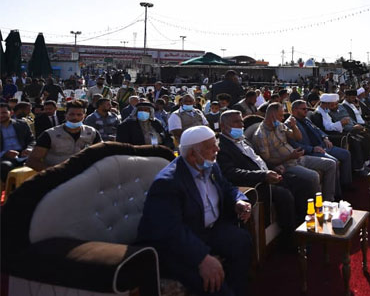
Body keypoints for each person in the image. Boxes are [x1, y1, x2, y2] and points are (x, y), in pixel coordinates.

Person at [137, 125, 253, 296]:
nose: (217, 149)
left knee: (241, 240)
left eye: (216, 144)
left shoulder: (210, 165)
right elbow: (170, 230)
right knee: (212, 284)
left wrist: (238, 200)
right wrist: (201, 258)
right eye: (211, 147)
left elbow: (227, 187)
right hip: (177, 243)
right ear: (192, 154)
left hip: (206, 230)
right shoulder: (168, 183)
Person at [216, 110, 301, 245]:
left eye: (241, 121)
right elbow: (231, 173)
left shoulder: (243, 140)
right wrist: (263, 175)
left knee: (298, 181)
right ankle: (289, 241)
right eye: (236, 122)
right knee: (284, 195)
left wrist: (273, 167)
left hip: (267, 174)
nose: (241, 125)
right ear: (223, 126)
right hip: (256, 183)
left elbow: (258, 160)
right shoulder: (221, 147)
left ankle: (301, 228)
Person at [253, 102, 337, 201]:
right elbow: (268, 160)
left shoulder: (279, 125)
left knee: (331, 164)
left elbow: (297, 137)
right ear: (272, 115)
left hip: (298, 158)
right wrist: (290, 157)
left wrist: (293, 126)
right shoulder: (261, 135)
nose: (283, 118)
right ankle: (318, 204)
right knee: (314, 176)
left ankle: (329, 199)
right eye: (280, 115)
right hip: (287, 165)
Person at [289, 99, 352, 191]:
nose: (306, 111)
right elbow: (294, 144)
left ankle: (346, 184)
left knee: (346, 154)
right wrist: (312, 149)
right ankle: (336, 193)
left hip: (322, 145)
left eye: (307, 108)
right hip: (311, 151)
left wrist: (325, 138)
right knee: (334, 161)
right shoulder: (290, 124)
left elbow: (318, 130)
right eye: (303, 109)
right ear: (294, 110)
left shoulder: (306, 119)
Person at [27, 100, 102, 171]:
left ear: (84, 116)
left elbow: (101, 155)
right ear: (65, 115)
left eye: (79, 115)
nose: (75, 117)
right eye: (71, 114)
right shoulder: (50, 134)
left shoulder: (92, 133)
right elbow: (32, 161)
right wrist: (54, 172)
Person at [0, 102, 34, 181]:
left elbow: (31, 140)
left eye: (4, 113)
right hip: (4, 158)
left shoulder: (22, 124)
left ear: (11, 113)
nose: (1, 115)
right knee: (5, 167)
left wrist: (29, 149)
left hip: (23, 155)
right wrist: (4, 153)